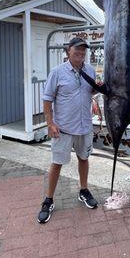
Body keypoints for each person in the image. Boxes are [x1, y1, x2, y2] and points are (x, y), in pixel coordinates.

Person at [37, 37, 98, 224]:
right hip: (63, 128)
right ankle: (48, 200)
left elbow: (89, 92)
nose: (80, 54)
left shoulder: (90, 70)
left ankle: (83, 190)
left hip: (85, 126)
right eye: (76, 50)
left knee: (84, 159)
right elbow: (47, 99)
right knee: (56, 163)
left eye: (83, 51)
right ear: (68, 51)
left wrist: (97, 92)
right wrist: (50, 123)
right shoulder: (57, 72)